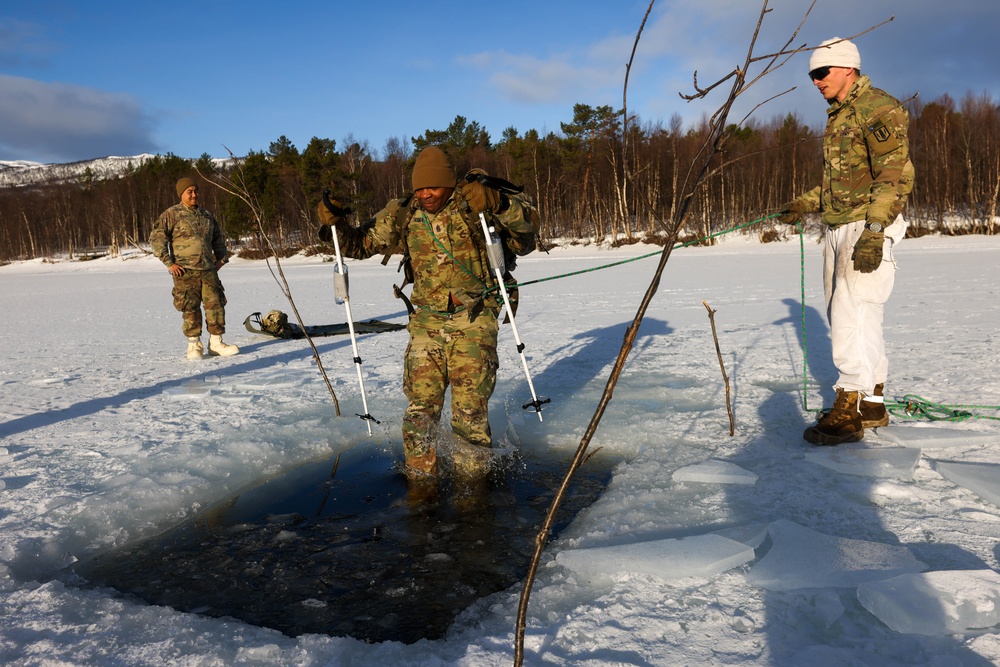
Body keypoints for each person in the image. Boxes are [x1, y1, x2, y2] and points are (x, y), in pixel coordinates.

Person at [317, 145, 539, 480]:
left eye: (432, 186)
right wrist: (333, 223)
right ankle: (421, 487)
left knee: (470, 414)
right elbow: (359, 245)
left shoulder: (474, 202)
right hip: (426, 321)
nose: (426, 193)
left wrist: (500, 203)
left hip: (474, 317)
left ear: (448, 184)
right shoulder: (404, 212)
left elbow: (527, 235)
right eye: (420, 187)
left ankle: (473, 489)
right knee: (419, 411)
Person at [778, 37, 914, 445]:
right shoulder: (839, 116)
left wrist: (874, 231)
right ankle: (871, 401)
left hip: (865, 226)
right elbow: (839, 183)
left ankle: (849, 403)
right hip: (840, 225)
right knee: (862, 313)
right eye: (811, 75)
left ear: (847, 68)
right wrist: (804, 203)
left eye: (822, 72)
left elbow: (893, 175)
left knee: (848, 313)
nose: (815, 81)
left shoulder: (876, 108)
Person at [150, 177, 239, 360]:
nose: (194, 194)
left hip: (208, 269)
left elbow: (218, 239)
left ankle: (216, 343)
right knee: (190, 307)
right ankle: (194, 345)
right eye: (189, 191)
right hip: (185, 270)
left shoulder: (206, 215)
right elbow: (157, 239)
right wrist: (169, 263)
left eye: (195, 191)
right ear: (181, 194)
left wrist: (221, 259)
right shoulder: (171, 215)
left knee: (215, 305)